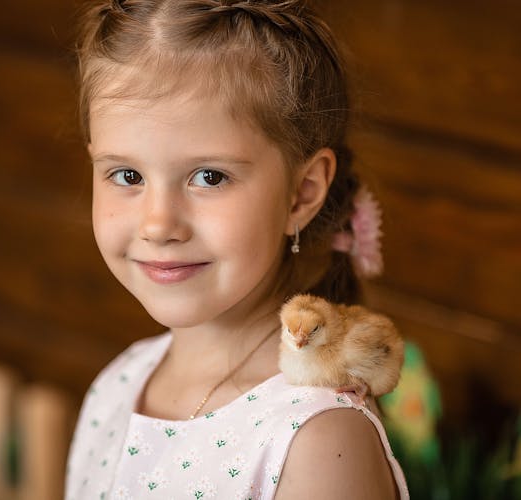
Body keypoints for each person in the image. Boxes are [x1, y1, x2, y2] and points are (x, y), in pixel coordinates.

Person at [65, 1, 409, 498]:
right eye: (128, 175)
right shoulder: (119, 384)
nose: (158, 225)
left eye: (209, 177)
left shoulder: (317, 440)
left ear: (303, 191)